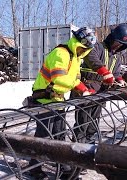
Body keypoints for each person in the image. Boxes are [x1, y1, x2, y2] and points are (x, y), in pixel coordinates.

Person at [26, 27, 97, 179]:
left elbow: (75, 79)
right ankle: (34, 168)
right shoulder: (61, 53)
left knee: (59, 134)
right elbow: (59, 78)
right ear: (79, 43)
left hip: (57, 99)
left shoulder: (76, 57)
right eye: (83, 48)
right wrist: (77, 87)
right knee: (44, 136)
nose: (83, 51)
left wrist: (83, 88)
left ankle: (63, 169)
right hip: (43, 98)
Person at [72, 23, 127, 144]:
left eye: (122, 45)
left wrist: (119, 79)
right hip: (86, 90)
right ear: (112, 38)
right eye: (118, 43)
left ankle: (89, 146)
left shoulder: (117, 56)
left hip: (101, 93)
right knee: (82, 123)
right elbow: (91, 58)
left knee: (93, 123)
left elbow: (116, 72)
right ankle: (76, 151)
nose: (118, 46)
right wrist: (104, 72)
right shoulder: (97, 46)